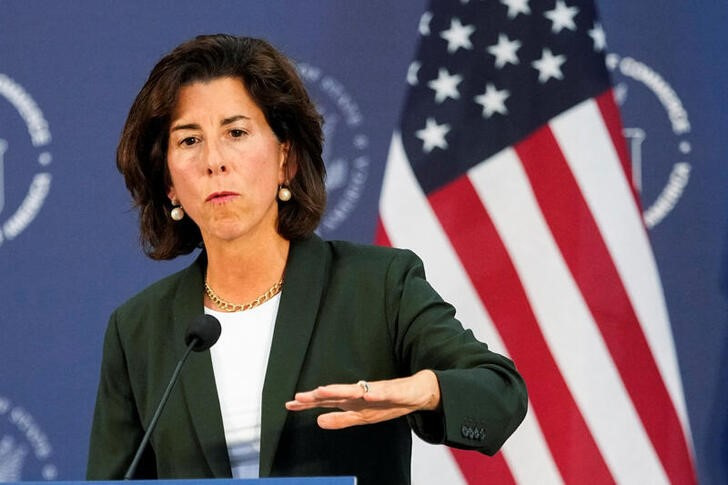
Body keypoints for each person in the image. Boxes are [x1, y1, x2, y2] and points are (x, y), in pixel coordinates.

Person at [87, 34, 527, 485]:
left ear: (286, 159)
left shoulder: (376, 286)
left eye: (236, 133)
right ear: (169, 184)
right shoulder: (138, 330)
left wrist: (426, 390)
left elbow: (500, 395)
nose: (213, 160)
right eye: (189, 140)